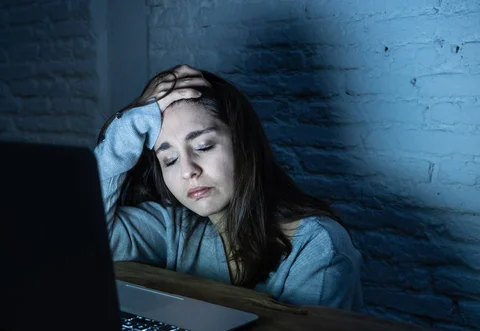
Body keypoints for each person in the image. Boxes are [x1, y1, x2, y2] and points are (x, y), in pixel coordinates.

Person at [94, 64, 363, 310]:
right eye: (170, 159)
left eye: (204, 146)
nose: (188, 170)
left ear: (243, 143)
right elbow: (84, 234)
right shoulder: (175, 228)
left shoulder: (316, 248)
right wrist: (129, 123)